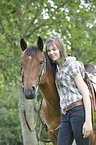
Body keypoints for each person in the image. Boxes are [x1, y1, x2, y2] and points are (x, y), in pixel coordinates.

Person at [45, 37, 93, 145]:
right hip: (65, 114)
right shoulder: (57, 69)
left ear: (61, 49)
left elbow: (85, 92)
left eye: (54, 49)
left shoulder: (72, 65)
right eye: (49, 50)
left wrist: (88, 121)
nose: (51, 53)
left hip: (78, 111)